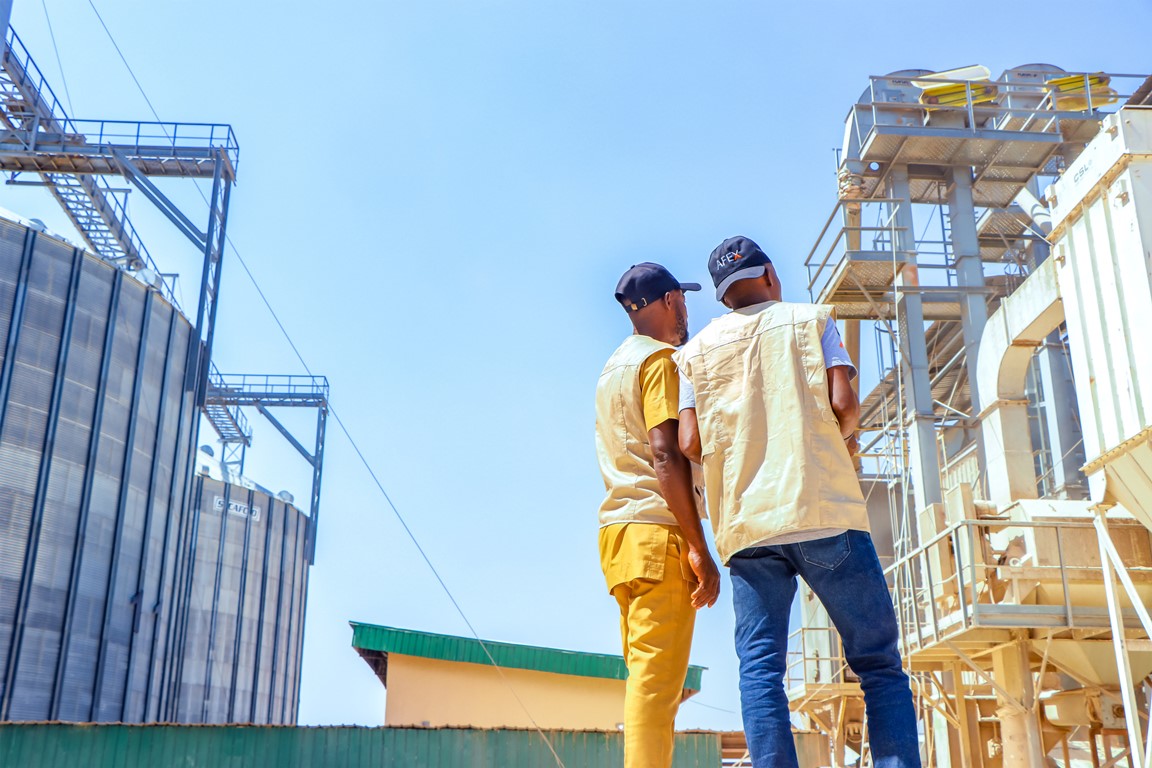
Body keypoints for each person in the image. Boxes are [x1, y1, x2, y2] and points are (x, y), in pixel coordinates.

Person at [674, 237, 920, 768]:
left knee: (761, 669)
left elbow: (689, 443)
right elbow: (843, 404)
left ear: (721, 298)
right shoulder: (812, 320)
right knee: (877, 664)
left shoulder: (692, 355)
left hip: (748, 529)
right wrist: (844, 439)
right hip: (822, 509)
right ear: (770, 276)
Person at [594, 262, 721, 768]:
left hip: (617, 537)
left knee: (647, 683)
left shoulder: (611, 368)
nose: (687, 309)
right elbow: (665, 453)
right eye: (683, 299)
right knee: (656, 690)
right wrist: (698, 547)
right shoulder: (662, 361)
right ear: (670, 301)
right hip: (657, 533)